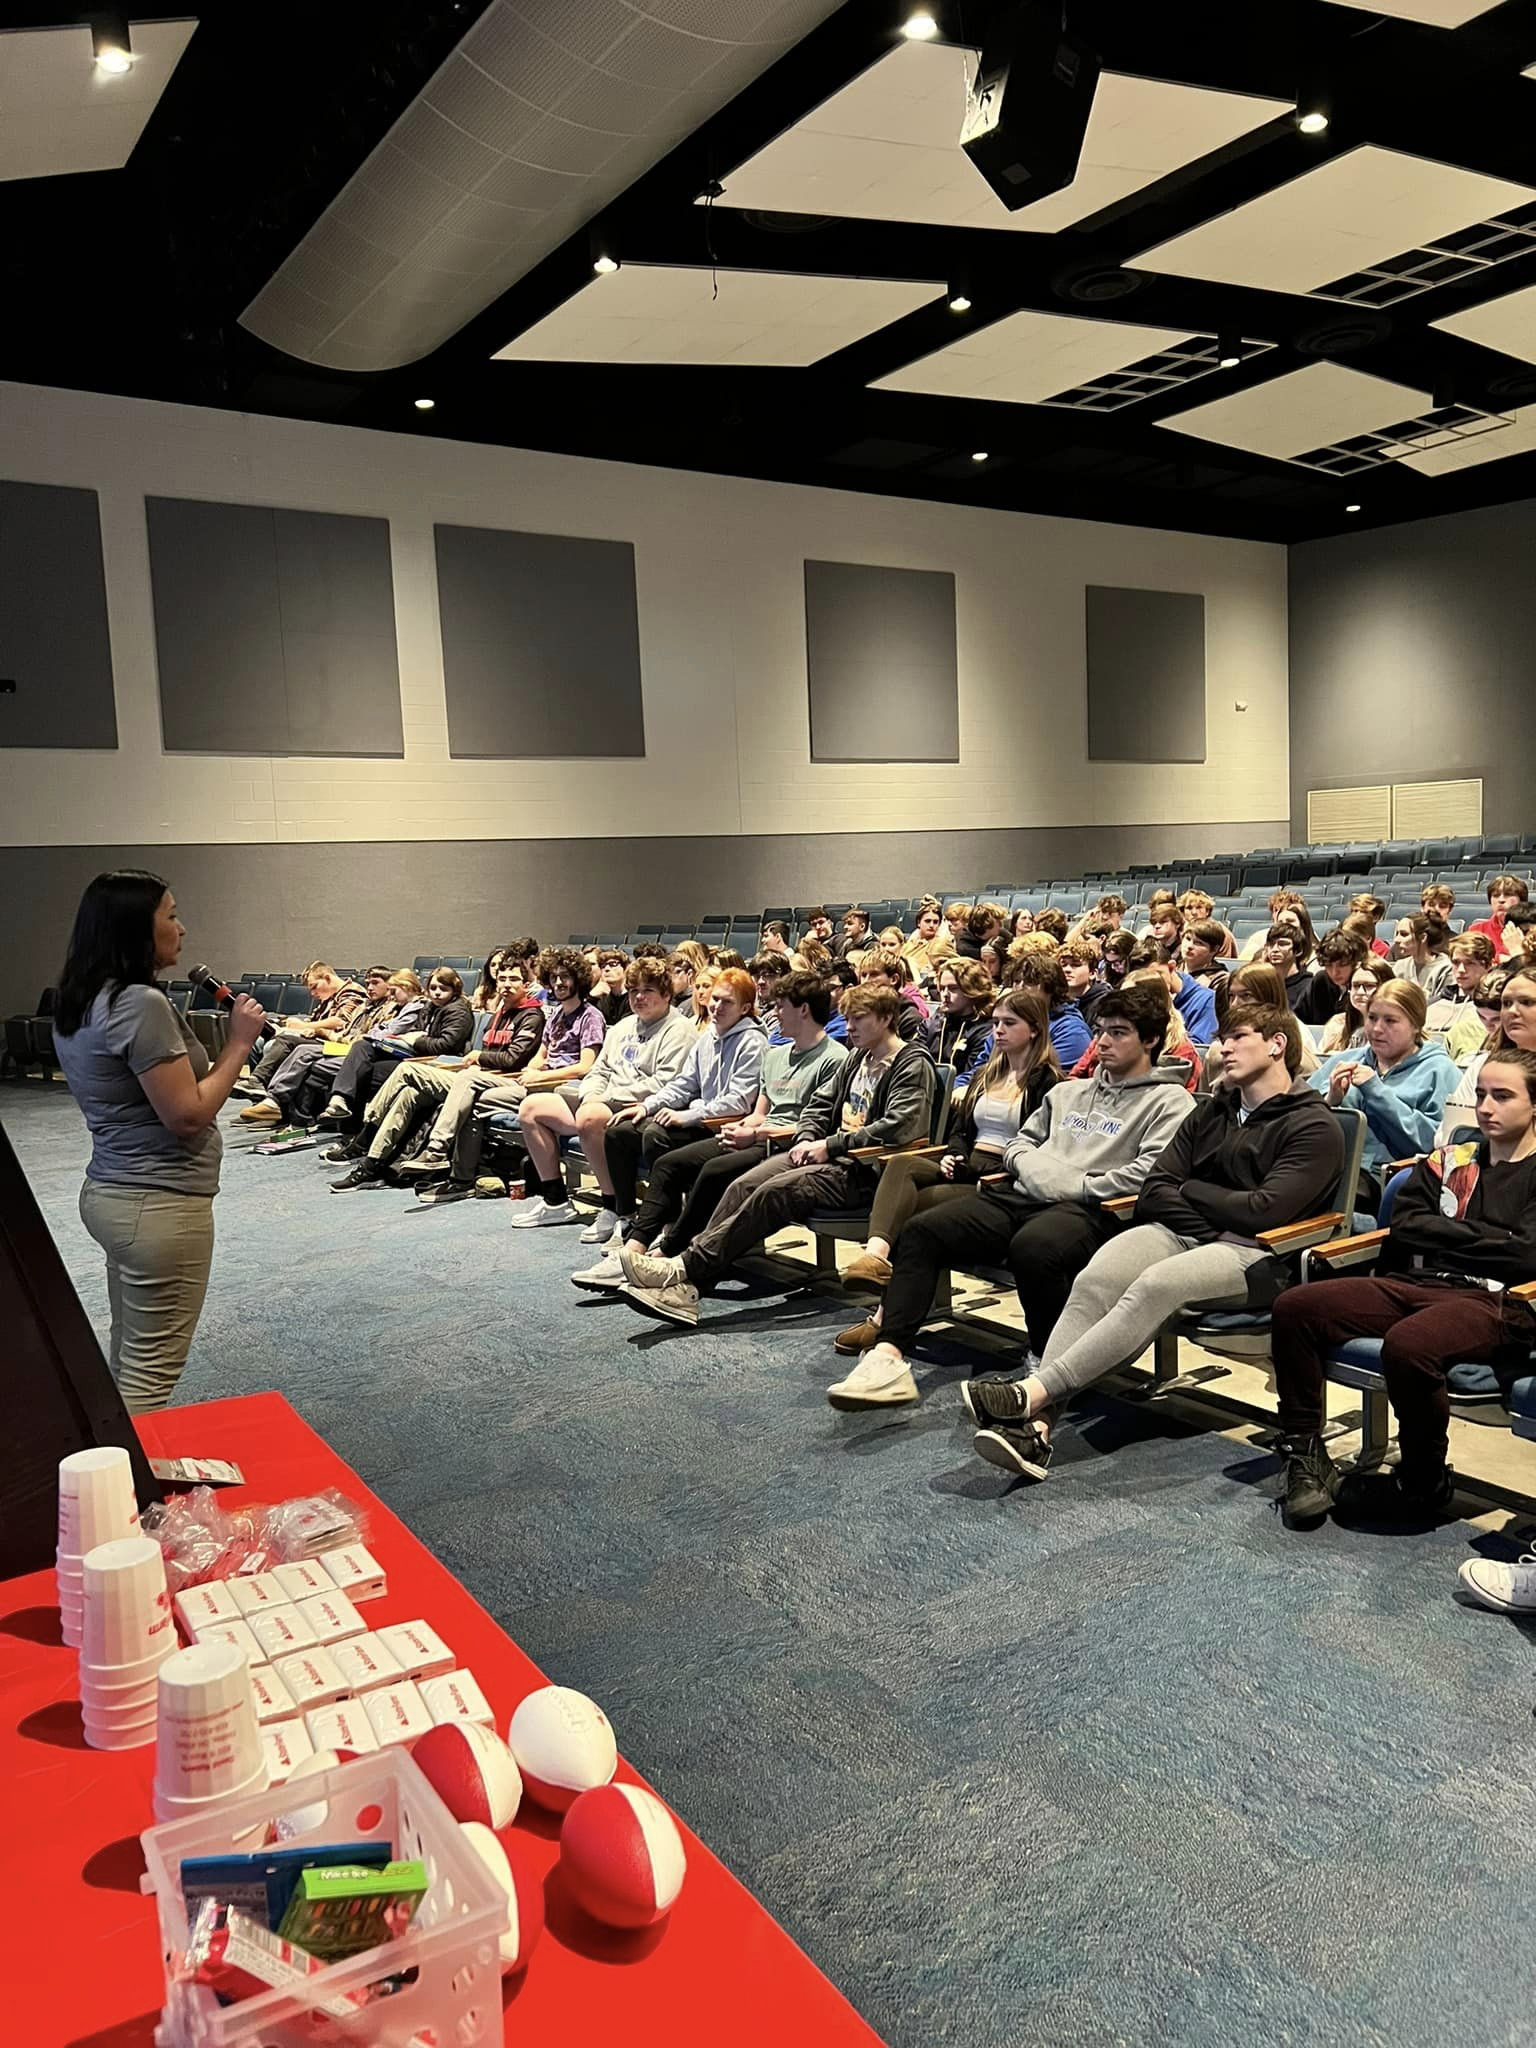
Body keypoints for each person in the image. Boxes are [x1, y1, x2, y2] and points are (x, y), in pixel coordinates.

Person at [966, 1005, 1344, 1479]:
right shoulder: (1213, 1109)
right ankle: (1036, 1429)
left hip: (1259, 1256)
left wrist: (1193, 1192)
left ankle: (1031, 1393)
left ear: (1277, 1045)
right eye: (1221, 1038)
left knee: (1153, 1286)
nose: (1222, 1047)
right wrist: (1206, 1207)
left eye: (1237, 1037)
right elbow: (1156, 1188)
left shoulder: (1314, 1125)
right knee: (1096, 1279)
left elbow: (1264, 1212)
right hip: (1188, 1234)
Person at [826, 983, 1195, 1404]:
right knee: (922, 1230)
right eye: (1100, 1031)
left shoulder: (1171, 1102)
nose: (1103, 1042)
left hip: (1092, 1209)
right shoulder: (1068, 1092)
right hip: (1023, 1194)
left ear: (1149, 1039)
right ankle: (888, 1356)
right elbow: (1020, 1145)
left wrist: (1071, 1184)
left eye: (1119, 1032)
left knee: (1034, 1248)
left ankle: (1046, 1360)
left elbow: (1147, 1174)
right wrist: (1045, 1175)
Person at [1270, 1046, 1536, 1533]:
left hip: (1499, 1300)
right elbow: (1407, 1226)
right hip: (1417, 1281)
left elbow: (1527, 1257)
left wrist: (1452, 1233)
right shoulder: (1452, 1157)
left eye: (1502, 1096)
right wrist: (1496, 1239)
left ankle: (1423, 1478)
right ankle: (1307, 1456)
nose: (1485, 1107)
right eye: (1480, 1095)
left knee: (1410, 1344)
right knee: (1296, 1307)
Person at [52, 870, 267, 1410]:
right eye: (170, 915)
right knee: (150, 1378)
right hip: (159, 1205)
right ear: (135, 929)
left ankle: (110, 1478)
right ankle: (128, 1492)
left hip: (115, 1194)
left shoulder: (82, 998)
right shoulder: (138, 1004)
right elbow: (188, 1116)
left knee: (128, 1360)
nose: (183, 928)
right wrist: (239, 1043)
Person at [615, 985, 935, 1330]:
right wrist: (810, 1136)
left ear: (886, 1018)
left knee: (774, 1191)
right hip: (830, 1156)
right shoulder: (859, 1057)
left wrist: (831, 1145)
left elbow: (899, 1126)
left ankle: (682, 1271)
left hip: (867, 1170)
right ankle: (688, 1285)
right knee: (743, 1184)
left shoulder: (910, 1063)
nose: (851, 1027)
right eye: (847, 1019)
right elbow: (820, 1105)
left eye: (859, 1018)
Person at [572, 971, 848, 1291]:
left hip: (783, 1143)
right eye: (713, 999)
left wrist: (747, 1130)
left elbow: (814, 1122)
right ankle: (636, 1246)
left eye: (781, 1006)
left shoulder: (831, 1057)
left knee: (711, 1168)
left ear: (803, 1010)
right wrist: (651, 1107)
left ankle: (669, 1253)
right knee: (655, 1152)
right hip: (748, 1132)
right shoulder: (776, 1055)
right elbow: (758, 1111)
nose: (774, 1014)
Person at [839, 987, 1061, 1292]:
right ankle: (875, 1260)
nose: (998, 1030)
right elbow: (960, 1130)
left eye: (1009, 1023)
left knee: (909, 1213)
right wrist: (953, 1154)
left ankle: (885, 1311)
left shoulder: (1047, 1082)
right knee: (902, 1165)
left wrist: (973, 1169)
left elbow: (1041, 1145)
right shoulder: (987, 1073)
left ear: (1035, 1029)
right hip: (967, 1163)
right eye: (996, 1022)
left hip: (1000, 1178)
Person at [510, 956, 697, 1238]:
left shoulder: (679, 1029)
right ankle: (556, 1200)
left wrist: (604, 1099)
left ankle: (614, 1206)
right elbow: (598, 1070)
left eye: (648, 991)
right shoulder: (623, 1027)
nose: (639, 997)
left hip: (642, 1107)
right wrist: (592, 1094)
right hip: (603, 1099)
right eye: (634, 991)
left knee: (589, 1117)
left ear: (667, 995)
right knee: (532, 1108)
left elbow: (664, 1083)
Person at [328, 959, 546, 1192]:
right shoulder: (500, 1014)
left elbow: (513, 1059)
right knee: (410, 1093)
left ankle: (375, 1132)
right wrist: (478, 1061)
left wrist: (479, 1058)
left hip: (502, 1082)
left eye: (513, 980)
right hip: (477, 1076)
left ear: (526, 983)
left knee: (407, 1069)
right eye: (502, 979)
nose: (506, 985)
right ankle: (371, 1165)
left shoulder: (531, 1015)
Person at [582, 966, 767, 1238]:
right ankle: (624, 1214)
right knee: (619, 1131)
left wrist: (687, 1116)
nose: (716, 1007)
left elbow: (737, 1102)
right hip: (702, 1118)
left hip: (725, 1126)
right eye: (715, 999)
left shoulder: (752, 1042)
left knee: (656, 1135)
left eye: (726, 1002)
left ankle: (667, 1224)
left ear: (745, 1008)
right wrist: (647, 1106)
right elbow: (683, 1084)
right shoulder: (708, 1037)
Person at [1309, 978, 1460, 1206]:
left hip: (1391, 1185)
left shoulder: (1440, 1070)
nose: (1377, 1029)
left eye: (1390, 1021)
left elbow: (1434, 1144)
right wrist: (1331, 1100)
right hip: (1329, 1167)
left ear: (1416, 1025)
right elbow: (1298, 1119)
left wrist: (1376, 1091)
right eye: (1372, 1018)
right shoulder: (1345, 1061)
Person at [242, 965, 401, 1128]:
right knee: (272, 1045)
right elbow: (347, 1031)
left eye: (375, 983)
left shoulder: (381, 1004)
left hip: (354, 1050)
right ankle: (282, 1111)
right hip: (341, 1044)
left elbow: (355, 1033)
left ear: (390, 984)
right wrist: (318, 1031)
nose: (369, 988)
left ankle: (273, 1102)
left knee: (298, 1052)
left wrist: (319, 1031)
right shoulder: (366, 1005)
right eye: (368, 983)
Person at [315, 967, 471, 1124]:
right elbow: (417, 1032)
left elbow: (445, 1046)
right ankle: (339, 1099)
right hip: (414, 1054)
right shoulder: (430, 1007)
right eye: (433, 988)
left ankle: (351, 1130)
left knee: (363, 1074)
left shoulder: (458, 1011)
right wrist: (404, 1039)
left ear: (454, 989)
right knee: (362, 1046)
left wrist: (415, 1040)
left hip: (431, 1062)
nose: (437, 992)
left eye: (443, 988)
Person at [1435, 965, 1534, 1140]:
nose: (1512, 1011)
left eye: (1526, 1002)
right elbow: (1444, 1136)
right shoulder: (1483, 1065)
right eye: (1507, 1003)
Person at [1007, 938, 1093, 1065]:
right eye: (1017, 981)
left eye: (1030, 982)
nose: (1020, 988)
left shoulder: (1071, 1032)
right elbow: (978, 1070)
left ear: (1050, 987)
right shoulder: (1005, 1022)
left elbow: (1052, 1080)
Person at [924, 960, 996, 1082]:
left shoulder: (986, 1029)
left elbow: (975, 1074)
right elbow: (912, 1059)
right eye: (942, 988)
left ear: (972, 989)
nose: (945, 994)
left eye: (953, 988)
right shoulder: (932, 1023)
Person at [1426, 931, 1497, 1046]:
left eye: (1470, 963)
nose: (1461, 970)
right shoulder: (1430, 1006)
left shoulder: (1493, 1010)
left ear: (1488, 965)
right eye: (1456, 962)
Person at [1317, 956, 1394, 1056]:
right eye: (1356, 986)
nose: (1360, 992)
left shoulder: (1397, 1027)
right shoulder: (1338, 1024)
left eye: (1369, 986)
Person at [1292, 929, 1368, 1029]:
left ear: (1355, 962)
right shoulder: (1321, 980)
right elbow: (1297, 1018)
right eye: (1328, 965)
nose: (1334, 972)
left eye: (1342, 965)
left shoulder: (1363, 985)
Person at [1391, 913, 1454, 1000]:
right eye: (1397, 934)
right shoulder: (1400, 966)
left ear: (1423, 937)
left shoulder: (1446, 969)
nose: (1396, 940)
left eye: (1404, 934)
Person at [1468, 874, 1530, 962]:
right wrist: (1499, 958)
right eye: (1496, 895)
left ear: (1522, 901)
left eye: (1508, 895)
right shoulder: (1477, 930)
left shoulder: (1532, 930)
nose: (1501, 900)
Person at [905, 899, 950, 985]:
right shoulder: (909, 944)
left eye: (935, 922)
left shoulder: (941, 945)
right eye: (927, 921)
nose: (931, 925)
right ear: (918, 923)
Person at [1180, 919, 1229, 990]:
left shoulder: (1220, 981)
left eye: (1199, 943)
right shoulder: (1173, 970)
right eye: (1188, 939)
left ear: (1214, 949)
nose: (1189, 946)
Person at [591, 947, 632, 1028]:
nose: (606, 969)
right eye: (603, 966)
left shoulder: (633, 997)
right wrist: (591, 997)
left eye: (613, 964)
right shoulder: (601, 999)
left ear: (625, 968)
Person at [1346, 893, 1391, 959]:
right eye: (1354, 911)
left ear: (1376, 917)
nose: (1356, 915)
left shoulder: (1382, 949)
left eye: (1362, 912)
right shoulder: (1341, 944)